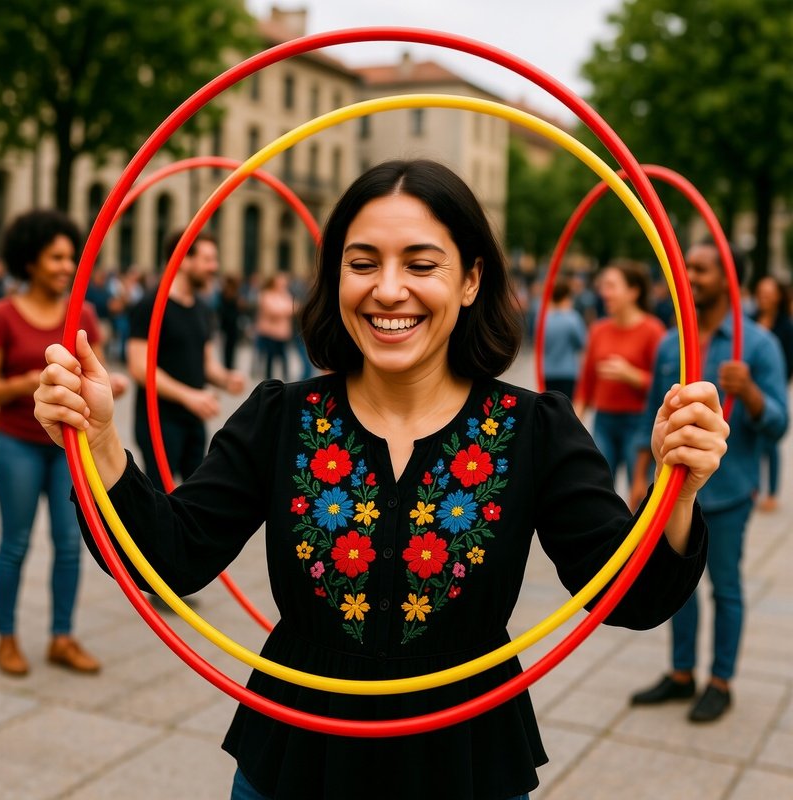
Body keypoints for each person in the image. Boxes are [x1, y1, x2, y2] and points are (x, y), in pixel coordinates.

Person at [35, 160, 728, 800]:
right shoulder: (283, 417)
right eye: (361, 263)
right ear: (335, 276)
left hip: (467, 758)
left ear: (470, 279)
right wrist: (99, 440)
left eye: (421, 264)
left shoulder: (531, 427)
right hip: (296, 756)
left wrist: (680, 488)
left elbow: (628, 595)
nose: (387, 289)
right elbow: (171, 557)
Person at [629, 242, 788, 723]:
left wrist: (751, 394)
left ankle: (720, 681)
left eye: (699, 268)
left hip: (728, 490)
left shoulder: (758, 346)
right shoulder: (669, 343)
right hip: (673, 495)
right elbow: (648, 419)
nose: (688, 276)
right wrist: (640, 477)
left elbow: (779, 425)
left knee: (726, 587)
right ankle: (681, 674)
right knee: (677, 586)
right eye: (685, 268)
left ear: (728, 277)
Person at [0, 209, 127, 677]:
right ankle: (6, 637)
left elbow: (98, 371)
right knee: (15, 543)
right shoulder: (4, 315)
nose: (67, 266)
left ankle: (62, 637)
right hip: (17, 446)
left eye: (71, 257)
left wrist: (113, 386)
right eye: (56, 257)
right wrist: (30, 381)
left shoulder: (83, 313)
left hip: (69, 448)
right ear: (30, 261)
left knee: (70, 544)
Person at [126, 229, 246, 491]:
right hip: (159, 421)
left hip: (194, 420)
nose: (214, 267)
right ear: (183, 260)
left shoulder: (202, 309)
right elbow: (139, 367)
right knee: (161, 498)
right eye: (208, 259)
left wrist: (226, 378)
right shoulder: (151, 305)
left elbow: (206, 363)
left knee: (194, 499)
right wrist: (188, 396)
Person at [573, 259, 667, 489]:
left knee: (641, 491)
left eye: (611, 286)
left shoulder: (653, 331)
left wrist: (631, 375)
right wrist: (572, 425)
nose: (603, 292)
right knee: (599, 487)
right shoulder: (598, 330)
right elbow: (586, 385)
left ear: (633, 292)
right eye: (602, 286)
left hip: (639, 422)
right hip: (604, 421)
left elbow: (666, 388)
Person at [752, 275, 793, 511]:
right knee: (755, 441)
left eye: (769, 293)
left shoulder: (785, 326)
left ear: (778, 295)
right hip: (750, 389)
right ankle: (754, 486)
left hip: (773, 387)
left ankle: (772, 492)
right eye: (761, 292)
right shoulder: (751, 319)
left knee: (771, 442)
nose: (764, 297)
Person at [542, 274, 587, 399]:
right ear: (567, 296)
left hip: (547, 371)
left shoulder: (543, 319)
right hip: (568, 372)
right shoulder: (572, 318)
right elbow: (582, 343)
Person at [254, 271, 295, 381]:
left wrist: (284, 310)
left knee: (284, 357)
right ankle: (268, 378)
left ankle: (286, 377)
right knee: (270, 357)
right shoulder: (266, 294)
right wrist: (285, 310)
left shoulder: (285, 294)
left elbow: (292, 308)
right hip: (270, 332)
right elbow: (272, 310)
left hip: (283, 332)